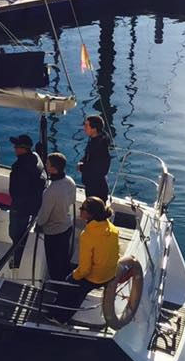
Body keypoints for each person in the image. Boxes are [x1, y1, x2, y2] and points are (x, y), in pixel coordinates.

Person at [53, 196, 121, 323]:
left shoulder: (88, 235)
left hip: (95, 276)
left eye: (82, 208)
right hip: (110, 273)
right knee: (77, 283)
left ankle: (60, 317)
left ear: (90, 214)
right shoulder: (113, 229)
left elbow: (84, 270)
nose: (80, 209)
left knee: (68, 283)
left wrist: (74, 275)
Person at [35, 152, 76, 282]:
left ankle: (56, 286)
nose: (45, 165)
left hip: (53, 232)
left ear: (53, 169)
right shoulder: (70, 181)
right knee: (63, 258)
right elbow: (72, 200)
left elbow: (43, 217)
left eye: (47, 163)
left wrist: (38, 224)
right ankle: (65, 280)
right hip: (67, 226)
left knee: (54, 264)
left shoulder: (50, 192)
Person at [7, 134, 46, 269]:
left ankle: (16, 261)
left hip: (21, 206)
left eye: (17, 146)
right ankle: (19, 256)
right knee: (22, 232)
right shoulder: (36, 158)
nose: (14, 148)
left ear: (24, 149)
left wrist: (15, 204)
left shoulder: (20, 167)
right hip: (34, 205)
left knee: (15, 233)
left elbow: (18, 190)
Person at [78, 115, 111, 201]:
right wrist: (82, 161)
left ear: (94, 129)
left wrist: (82, 167)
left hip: (96, 188)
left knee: (94, 211)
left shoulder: (100, 146)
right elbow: (89, 157)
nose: (84, 128)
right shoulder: (94, 140)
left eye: (86, 125)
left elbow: (100, 169)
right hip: (92, 184)